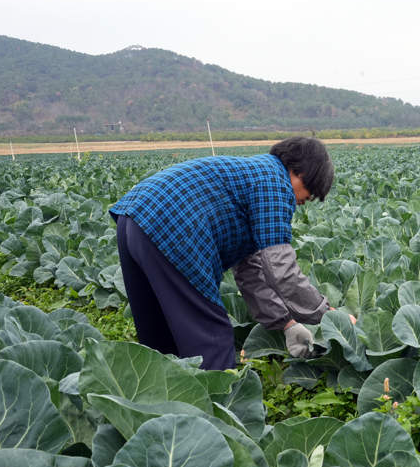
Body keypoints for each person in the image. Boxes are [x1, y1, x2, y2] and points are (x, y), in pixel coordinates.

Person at [110, 136, 351, 370]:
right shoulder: (274, 181)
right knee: (212, 339)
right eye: (309, 193)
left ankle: (159, 405)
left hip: (133, 217)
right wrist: (328, 316)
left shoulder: (252, 177)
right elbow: (281, 269)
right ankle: (213, 408)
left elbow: (251, 273)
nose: (304, 201)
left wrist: (286, 324)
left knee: (160, 337)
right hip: (171, 226)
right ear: (301, 172)